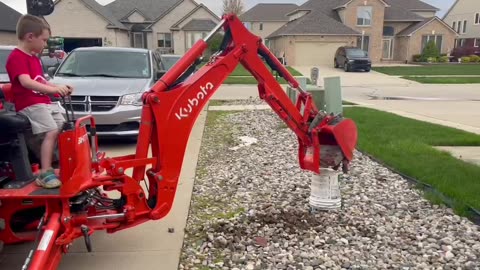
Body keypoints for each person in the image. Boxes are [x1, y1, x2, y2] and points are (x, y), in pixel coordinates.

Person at [6, 14, 72, 189]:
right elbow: (26, 82)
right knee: (50, 130)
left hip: (42, 102)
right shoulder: (17, 57)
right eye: (44, 40)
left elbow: (41, 81)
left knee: (61, 126)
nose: (45, 44)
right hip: (29, 104)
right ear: (30, 37)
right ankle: (45, 171)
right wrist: (52, 90)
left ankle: (59, 163)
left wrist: (59, 87)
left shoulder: (34, 58)